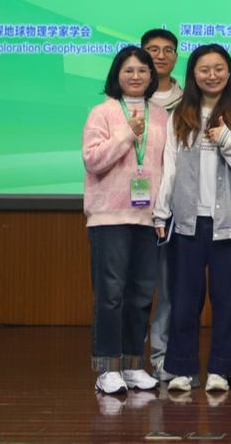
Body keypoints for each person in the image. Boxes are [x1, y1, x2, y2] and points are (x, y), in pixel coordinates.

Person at [153, 44, 231, 393]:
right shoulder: (180, 114)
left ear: (229, 72)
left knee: (228, 299)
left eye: (219, 69)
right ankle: (182, 368)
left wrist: (226, 138)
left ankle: (222, 369)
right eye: (204, 69)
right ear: (193, 74)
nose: (212, 76)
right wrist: (161, 212)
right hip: (188, 221)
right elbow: (169, 167)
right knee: (185, 299)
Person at [83, 47, 170, 394]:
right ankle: (107, 368)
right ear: (116, 75)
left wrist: (162, 212)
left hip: (148, 219)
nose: (136, 76)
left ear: (151, 76)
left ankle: (133, 365)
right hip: (109, 217)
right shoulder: (102, 112)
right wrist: (126, 133)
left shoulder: (161, 116)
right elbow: (92, 160)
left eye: (143, 70)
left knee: (141, 295)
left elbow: (165, 167)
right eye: (128, 70)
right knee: (111, 295)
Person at [140, 29, 183, 384]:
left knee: (168, 287)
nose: (160, 55)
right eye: (152, 49)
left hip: (174, 207)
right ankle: (128, 355)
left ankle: (160, 355)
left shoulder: (188, 100)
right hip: (133, 207)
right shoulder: (127, 100)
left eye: (168, 50)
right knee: (136, 286)